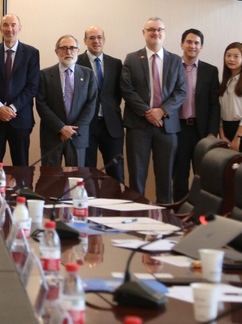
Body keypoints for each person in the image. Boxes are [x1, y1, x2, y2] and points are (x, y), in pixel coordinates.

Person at [120, 17, 186, 203]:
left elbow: (181, 91)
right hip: (138, 126)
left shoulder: (175, 60)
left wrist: (162, 111)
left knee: (165, 178)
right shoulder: (132, 58)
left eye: (159, 29)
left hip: (167, 127)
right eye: (151, 29)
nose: (155, 33)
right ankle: (137, 213)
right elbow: (126, 89)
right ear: (144, 33)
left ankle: (165, 215)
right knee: (137, 177)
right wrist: (147, 112)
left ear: (164, 33)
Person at [0, 14, 40, 166]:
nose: (9, 29)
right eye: (6, 25)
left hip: (20, 119)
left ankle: (21, 186)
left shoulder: (31, 53)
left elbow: (32, 86)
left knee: (21, 166)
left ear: (19, 28)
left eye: (13, 25)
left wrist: (11, 108)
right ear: (0, 28)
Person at [173, 29, 221, 200]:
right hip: (178, 129)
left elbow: (215, 105)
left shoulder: (211, 71)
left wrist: (212, 133)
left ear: (201, 47)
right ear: (182, 44)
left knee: (202, 176)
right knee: (179, 175)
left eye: (196, 43)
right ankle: (179, 211)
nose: (192, 46)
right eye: (189, 42)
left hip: (202, 131)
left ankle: (199, 212)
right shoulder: (171, 67)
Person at [36, 35, 97, 167]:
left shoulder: (88, 74)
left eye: (72, 48)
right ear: (57, 51)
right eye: (64, 48)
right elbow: (41, 104)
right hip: (52, 135)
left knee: (77, 177)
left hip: (77, 136)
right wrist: (61, 128)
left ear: (78, 51)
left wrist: (72, 131)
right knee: (50, 178)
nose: (68, 52)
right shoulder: (44, 75)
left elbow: (91, 105)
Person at [76, 26, 125, 181]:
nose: (96, 41)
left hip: (111, 125)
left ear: (104, 40)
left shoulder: (115, 63)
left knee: (116, 173)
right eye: (91, 38)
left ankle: (115, 198)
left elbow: (118, 93)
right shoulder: (76, 62)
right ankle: (89, 198)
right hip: (86, 125)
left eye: (99, 37)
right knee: (86, 173)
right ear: (85, 41)